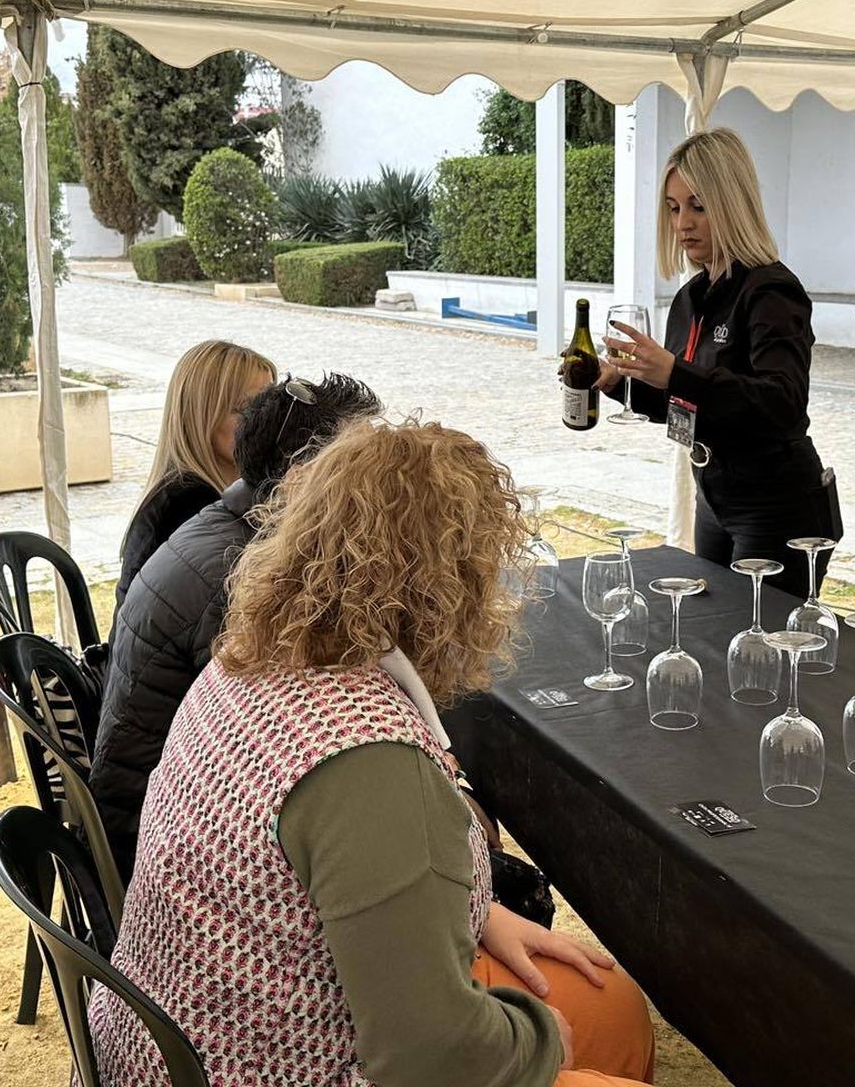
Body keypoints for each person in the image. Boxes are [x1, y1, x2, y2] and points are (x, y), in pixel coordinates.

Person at [90, 420, 656, 1087]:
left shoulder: (250, 663)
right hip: (276, 1062)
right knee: (577, 1036)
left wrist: (479, 913)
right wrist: (540, 1046)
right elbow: (433, 1060)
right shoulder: (371, 764)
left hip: (182, 1035)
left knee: (613, 1007)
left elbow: (345, 883)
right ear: (456, 586)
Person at [92, 372, 383, 878]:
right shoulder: (242, 576)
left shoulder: (228, 522)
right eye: (362, 468)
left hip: (156, 805)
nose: (377, 487)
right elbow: (294, 747)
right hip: (165, 846)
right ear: (303, 477)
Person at [598, 128, 839, 599]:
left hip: (775, 503)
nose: (683, 223)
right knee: (712, 634)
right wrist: (618, 383)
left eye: (698, 206)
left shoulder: (771, 291)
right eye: (673, 208)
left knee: (762, 648)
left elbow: (783, 403)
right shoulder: (692, 297)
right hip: (714, 498)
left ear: (732, 203)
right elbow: (685, 403)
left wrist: (674, 372)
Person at [112, 339, 276, 619]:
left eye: (271, 407)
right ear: (202, 415)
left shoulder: (191, 490)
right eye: (245, 410)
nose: (265, 422)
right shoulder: (189, 504)